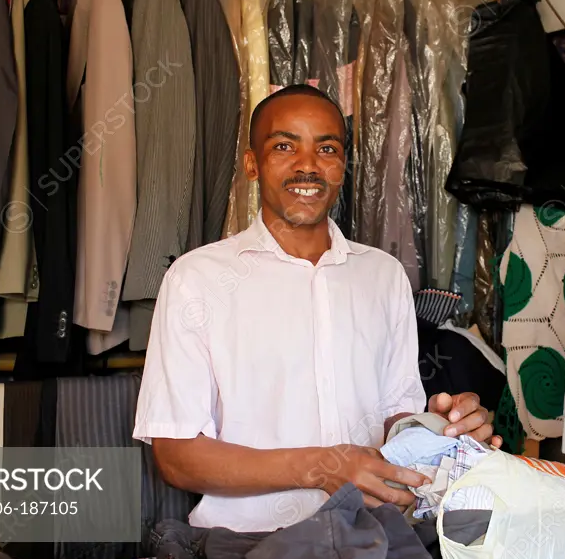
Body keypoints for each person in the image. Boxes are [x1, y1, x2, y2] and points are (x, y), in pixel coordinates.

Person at [133, 84, 500, 532]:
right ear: (252, 164)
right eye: (284, 146)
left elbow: (394, 419)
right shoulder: (197, 279)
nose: (307, 165)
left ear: (342, 167)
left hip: (375, 536)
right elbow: (177, 457)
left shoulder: (382, 275)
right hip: (250, 546)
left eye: (326, 148)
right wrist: (321, 467)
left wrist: (440, 429)